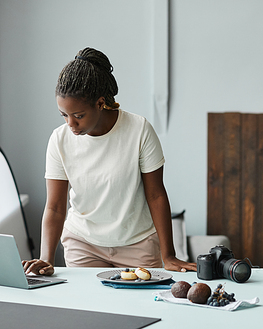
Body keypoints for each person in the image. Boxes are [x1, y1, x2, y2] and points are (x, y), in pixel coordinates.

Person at [22, 47, 196, 275]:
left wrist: (169, 256)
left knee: (139, 310)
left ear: (100, 102)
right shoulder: (59, 139)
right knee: (90, 310)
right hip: (82, 244)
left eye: (78, 116)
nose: (70, 125)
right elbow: (55, 207)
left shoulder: (139, 130)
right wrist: (46, 258)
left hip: (137, 243)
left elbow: (156, 195)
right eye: (64, 115)